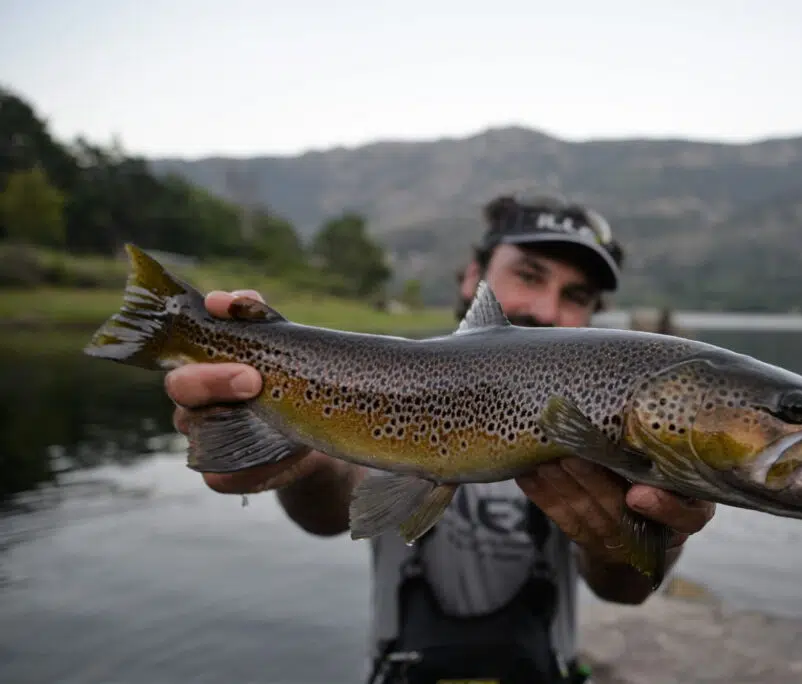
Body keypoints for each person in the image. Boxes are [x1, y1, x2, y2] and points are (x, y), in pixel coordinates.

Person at [164, 193, 716, 684]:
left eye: (577, 295)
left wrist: (641, 541)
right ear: (472, 277)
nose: (547, 309)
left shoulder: (604, 426)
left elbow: (622, 589)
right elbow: (333, 506)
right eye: (528, 274)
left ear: (596, 318)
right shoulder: (386, 381)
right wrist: (296, 452)